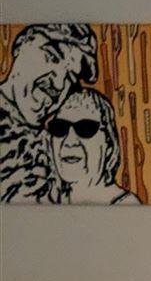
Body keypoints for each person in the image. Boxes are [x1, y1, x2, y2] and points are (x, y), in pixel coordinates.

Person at [1, 23, 98, 201]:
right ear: (20, 45)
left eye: (70, 77)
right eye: (52, 56)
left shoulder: (59, 147)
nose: (59, 84)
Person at [42, 83, 133, 204]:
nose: (70, 141)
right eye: (60, 128)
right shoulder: (48, 201)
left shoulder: (126, 205)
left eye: (85, 129)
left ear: (109, 146)